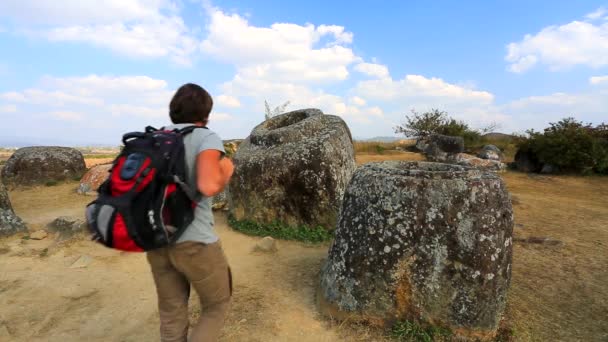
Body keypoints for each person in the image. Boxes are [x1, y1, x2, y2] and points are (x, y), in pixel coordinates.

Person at [146, 83, 234, 342]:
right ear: (206, 113)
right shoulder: (205, 137)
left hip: (156, 239)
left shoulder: (154, 138)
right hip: (195, 242)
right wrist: (226, 171)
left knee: (171, 312)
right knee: (216, 306)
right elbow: (207, 185)